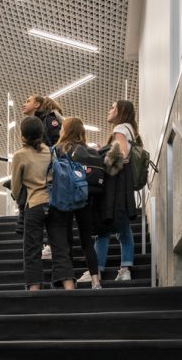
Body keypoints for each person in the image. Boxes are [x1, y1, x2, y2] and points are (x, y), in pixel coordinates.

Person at [11, 116, 75, 291]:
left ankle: (34, 291)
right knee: (60, 247)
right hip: (56, 204)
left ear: (22, 135)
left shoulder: (20, 155)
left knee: (32, 250)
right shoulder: (50, 151)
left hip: (34, 205)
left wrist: (20, 199)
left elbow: (16, 189)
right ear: (41, 133)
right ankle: (69, 288)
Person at [80, 99, 139, 283]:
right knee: (122, 228)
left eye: (112, 107)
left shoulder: (120, 129)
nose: (109, 109)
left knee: (105, 228)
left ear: (120, 110)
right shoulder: (130, 130)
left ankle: (98, 269)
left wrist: (101, 157)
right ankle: (124, 268)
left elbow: (119, 156)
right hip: (123, 186)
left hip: (115, 187)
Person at [54, 117, 102, 289]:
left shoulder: (58, 150)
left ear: (65, 130)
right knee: (86, 240)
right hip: (85, 198)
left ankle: (69, 282)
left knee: (66, 241)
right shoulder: (90, 151)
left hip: (65, 200)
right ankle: (96, 281)